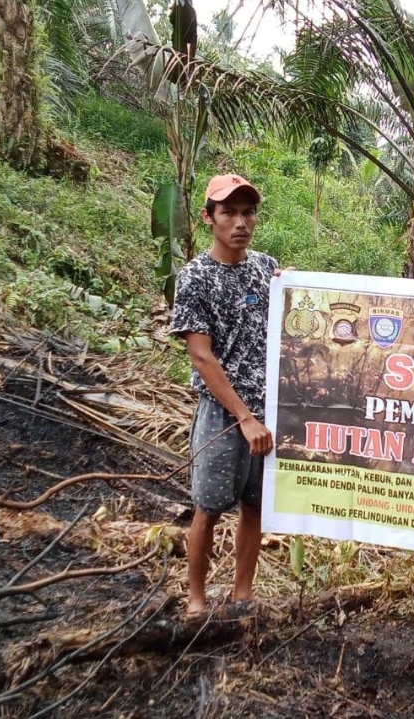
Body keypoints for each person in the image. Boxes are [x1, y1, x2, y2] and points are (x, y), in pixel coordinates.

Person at [170, 174, 279, 620]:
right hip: (223, 412)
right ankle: (196, 600)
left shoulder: (267, 269)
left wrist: (297, 286)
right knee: (209, 506)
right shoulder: (195, 277)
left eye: (247, 212)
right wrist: (244, 417)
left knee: (255, 505)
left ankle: (242, 595)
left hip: (269, 409)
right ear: (208, 217)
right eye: (229, 212)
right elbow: (202, 356)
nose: (240, 223)